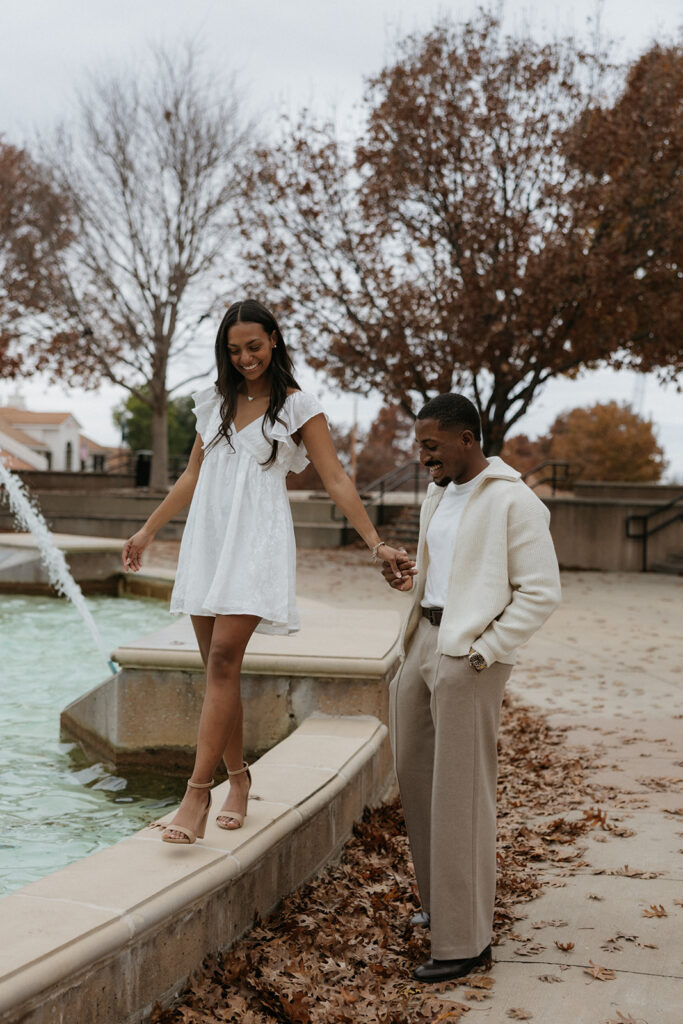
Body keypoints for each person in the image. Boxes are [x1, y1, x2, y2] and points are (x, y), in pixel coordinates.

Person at [123, 298, 404, 844]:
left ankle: (195, 796)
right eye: (234, 350)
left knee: (226, 658)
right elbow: (191, 477)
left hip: (256, 542)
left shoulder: (298, 407)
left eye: (253, 346)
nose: (245, 357)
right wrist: (148, 530)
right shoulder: (214, 403)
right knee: (216, 673)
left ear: (274, 339)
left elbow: (337, 480)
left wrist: (376, 545)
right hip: (208, 539)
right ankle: (239, 779)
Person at [381, 393, 561, 983]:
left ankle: (466, 944)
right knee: (418, 778)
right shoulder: (440, 492)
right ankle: (441, 908)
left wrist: (485, 651)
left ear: (466, 438)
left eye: (432, 445)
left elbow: (541, 592)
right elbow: (449, 569)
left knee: (460, 794)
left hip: (471, 656)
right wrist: (413, 579)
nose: (423, 456)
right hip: (424, 644)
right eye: (420, 445)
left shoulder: (516, 501)